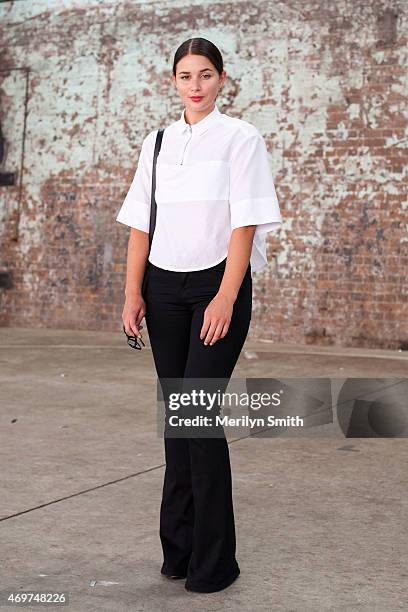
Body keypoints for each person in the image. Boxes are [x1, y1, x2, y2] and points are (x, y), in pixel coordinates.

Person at [116, 37, 282, 593]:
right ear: (173, 81)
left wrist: (226, 296)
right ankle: (179, 552)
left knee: (199, 418)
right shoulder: (158, 142)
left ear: (222, 79)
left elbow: (246, 223)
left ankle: (215, 563)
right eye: (186, 76)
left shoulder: (241, 138)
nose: (195, 85)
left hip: (217, 283)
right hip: (161, 287)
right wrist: (131, 292)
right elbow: (142, 224)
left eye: (205, 74)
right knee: (177, 421)